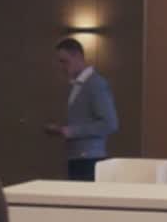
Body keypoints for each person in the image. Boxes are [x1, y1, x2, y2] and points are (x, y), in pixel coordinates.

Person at [45, 38, 118, 181]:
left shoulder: (96, 84)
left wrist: (72, 131)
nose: (62, 67)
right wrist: (62, 130)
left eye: (64, 61)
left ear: (78, 56)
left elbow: (110, 124)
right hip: (77, 157)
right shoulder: (78, 85)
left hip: (90, 160)